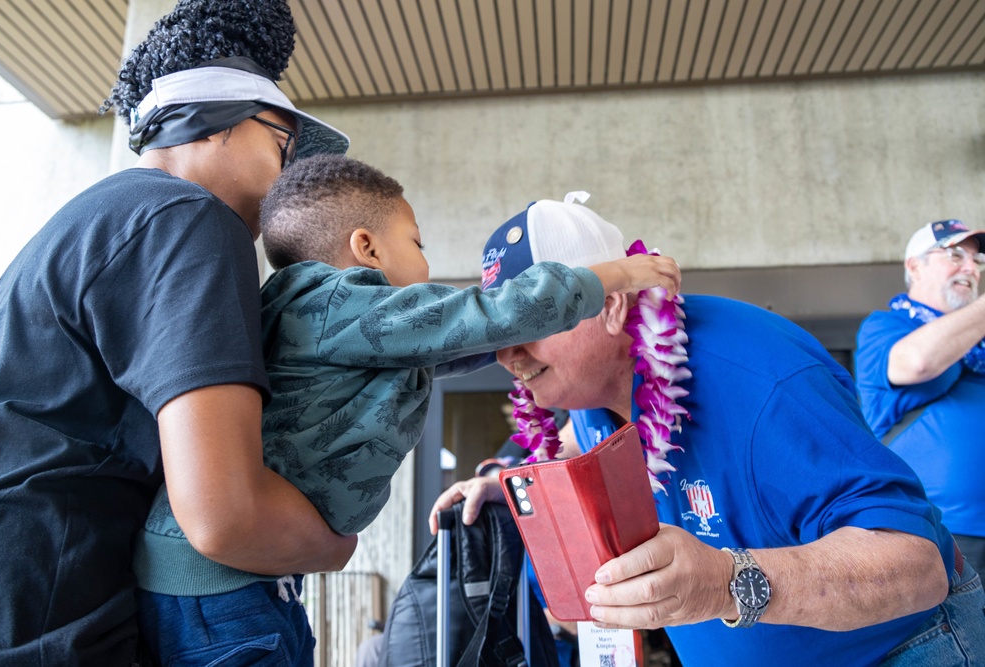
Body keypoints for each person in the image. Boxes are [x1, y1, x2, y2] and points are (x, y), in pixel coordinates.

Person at [134, 155, 682, 665]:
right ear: (368, 249)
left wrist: (516, 343)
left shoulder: (334, 325)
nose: (426, 263)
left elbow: (447, 349)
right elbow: (482, 315)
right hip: (216, 587)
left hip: (236, 578)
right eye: (416, 244)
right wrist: (617, 275)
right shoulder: (339, 303)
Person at [430, 196, 985, 666]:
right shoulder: (593, 393)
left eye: (532, 320)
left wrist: (724, 581)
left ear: (613, 306)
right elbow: (580, 441)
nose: (508, 352)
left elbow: (917, 567)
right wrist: (504, 476)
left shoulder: (760, 381)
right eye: (500, 325)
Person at [0, 2, 359, 665]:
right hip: (53, 623)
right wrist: (334, 540)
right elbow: (226, 515)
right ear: (215, 122)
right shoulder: (191, 218)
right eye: (282, 142)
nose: (289, 175)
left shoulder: (89, 221)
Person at [855, 219, 985, 574]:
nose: (971, 267)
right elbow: (917, 362)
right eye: (955, 254)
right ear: (915, 265)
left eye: (977, 261)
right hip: (942, 533)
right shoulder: (887, 328)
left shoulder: (979, 342)